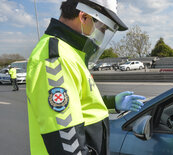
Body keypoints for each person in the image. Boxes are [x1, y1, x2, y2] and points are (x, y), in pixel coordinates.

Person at [26, 0, 145, 154]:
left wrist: (111, 103)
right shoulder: (56, 59)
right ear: (84, 17)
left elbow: (79, 102)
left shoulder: (71, 53)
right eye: (102, 29)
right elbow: (67, 142)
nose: (101, 36)